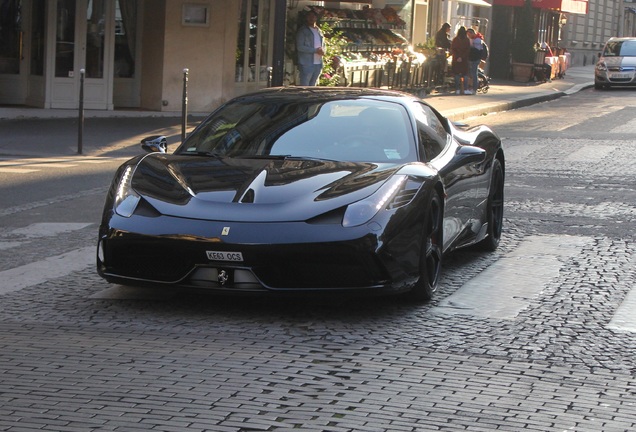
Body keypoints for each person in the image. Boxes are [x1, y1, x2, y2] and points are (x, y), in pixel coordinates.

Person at [296, 10, 325, 86]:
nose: (311, 18)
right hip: (306, 63)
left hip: (318, 63)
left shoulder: (319, 31)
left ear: (316, 18)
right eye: (309, 16)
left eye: (313, 16)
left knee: (313, 86)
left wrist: (323, 51)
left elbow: (323, 45)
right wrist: (315, 50)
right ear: (306, 18)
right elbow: (300, 47)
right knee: (305, 86)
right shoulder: (303, 31)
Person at [451, 26, 471, 95]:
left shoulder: (455, 39)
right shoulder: (467, 40)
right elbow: (467, 50)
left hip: (456, 60)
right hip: (464, 60)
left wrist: (457, 57)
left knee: (456, 74)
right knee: (465, 74)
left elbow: (453, 49)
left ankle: (457, 89)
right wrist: (462, 57)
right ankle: (465, 89)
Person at [467, 28, 484, 94]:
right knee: (473, 73)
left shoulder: (477, 40)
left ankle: (474, 89)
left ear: (472, 33)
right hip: (474, 58)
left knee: (474, 73)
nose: (468, 36)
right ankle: (472, 87)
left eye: (469, 34)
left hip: (475, 58)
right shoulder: (475, 39)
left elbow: (476, 50)